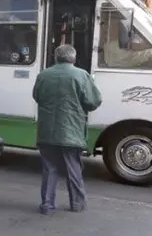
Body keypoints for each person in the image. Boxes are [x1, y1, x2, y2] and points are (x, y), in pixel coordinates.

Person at [32, 44, 102, 215]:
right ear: (73, 58)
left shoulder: (43, 75)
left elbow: (37, 96)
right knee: (73, 168)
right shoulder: (81, 75)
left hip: (48, 131)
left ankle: (47, 205)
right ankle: (76, 204)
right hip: (72, 131)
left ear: (56, 57)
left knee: (50, 168)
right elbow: (94, 101)